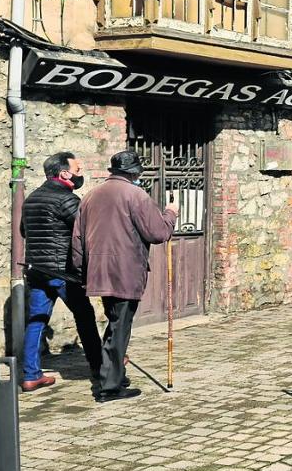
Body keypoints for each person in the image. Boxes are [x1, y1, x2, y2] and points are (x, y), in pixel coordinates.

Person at [72, 150, 177, 403]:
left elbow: (77, 239)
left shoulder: (90, 196)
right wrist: (171, 212)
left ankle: (112, 373)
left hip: (98, 271)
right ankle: (110, 386)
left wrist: (80, 270)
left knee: (115, 322)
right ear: (134, 173)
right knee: (120, 327)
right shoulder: (136, 195)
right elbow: (158, 233)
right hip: (125, 271)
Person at [20, 151, 103, 392]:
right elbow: (85, 232)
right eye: (78, 170)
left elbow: (25, 232)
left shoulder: (31, 199)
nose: (81, 174)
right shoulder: (67, 200)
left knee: (37, 321)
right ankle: (99, 367)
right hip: (63, 273)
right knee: (84, 316)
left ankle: (31, 375)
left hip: (37, 270)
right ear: (64, 173)